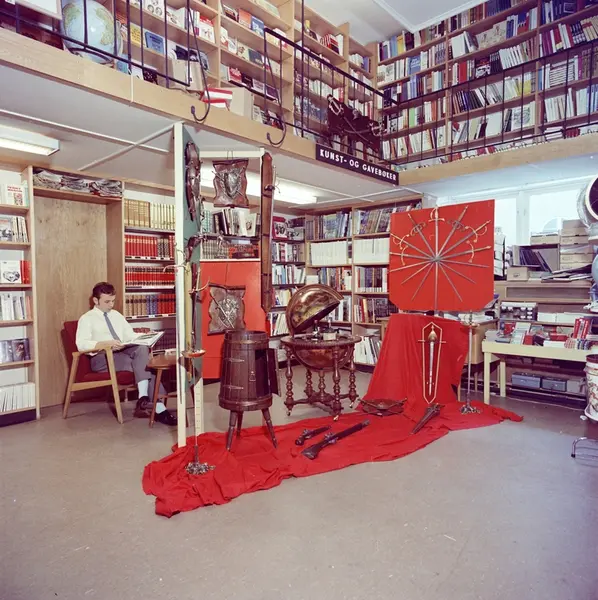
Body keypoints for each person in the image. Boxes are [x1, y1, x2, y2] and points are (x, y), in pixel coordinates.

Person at [75, 281, 177, 426]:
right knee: (146, 367)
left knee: (141, 349)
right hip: (102, 357)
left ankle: (143, 397)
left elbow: (129, 335)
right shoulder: (87, 319)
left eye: (113, 301)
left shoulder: (116, 315)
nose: (111, 305)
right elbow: (82, 344)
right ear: (95, 300)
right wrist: (105, 344)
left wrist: (146, 336)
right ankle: (160, 410)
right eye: (107, 302)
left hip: (121, 352)